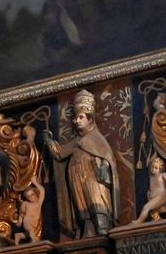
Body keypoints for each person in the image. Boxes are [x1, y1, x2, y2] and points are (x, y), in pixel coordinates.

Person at [43, 89, 118, 237]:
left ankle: (102, 228)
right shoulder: (77, 141)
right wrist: (48, 141)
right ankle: (88, 231)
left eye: (81, 117)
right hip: (77, 176)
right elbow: (60, 154)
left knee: (96, 199)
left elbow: (107, 156)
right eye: (76, 118)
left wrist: (104, 166)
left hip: (92, 175)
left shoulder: (97, 138)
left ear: (90, 119)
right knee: (82, 204)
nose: (76, 121)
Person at [136, 155, 166, 221]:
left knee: (146, 207)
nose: (153, 169)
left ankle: (139, 221)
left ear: (160, 168)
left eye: (156, 168)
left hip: (160, 196)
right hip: (152, 197)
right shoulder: (150, 177)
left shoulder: (163, 175)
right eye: (152, 167)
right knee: (158, 213)